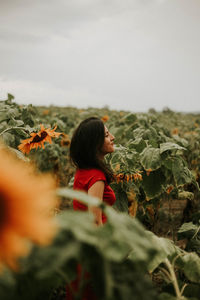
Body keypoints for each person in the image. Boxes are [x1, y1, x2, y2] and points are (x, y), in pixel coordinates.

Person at [66, 117, 116, 299]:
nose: (113, 137)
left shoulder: (83, 171)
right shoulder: (96, 176)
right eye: (106, 135)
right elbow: (95, 221)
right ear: (95, 144)